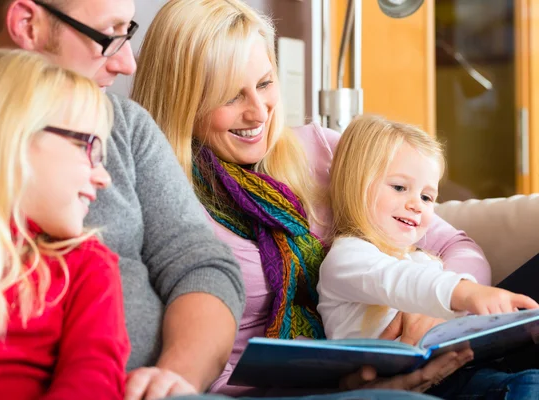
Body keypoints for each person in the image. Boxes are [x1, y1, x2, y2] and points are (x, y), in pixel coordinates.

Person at [132, 0, 487, 396]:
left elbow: (455, 245)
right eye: (230, 97)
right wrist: (338, 383)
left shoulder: (325, 152)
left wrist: (437, 309)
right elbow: (194, 361)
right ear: (181, 99)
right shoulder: (165, 201)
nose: (258, 113)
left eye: (265, 84)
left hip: (415, 356)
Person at [0, 1, 246, 399]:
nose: (127, 64)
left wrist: (173, 379)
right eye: (109, 35)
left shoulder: (125, 126)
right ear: (27, 23)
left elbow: (200, 264)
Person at [0, 48, 129, 399]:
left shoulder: (87, 265)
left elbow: (93, 381)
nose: (103, 177)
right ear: (15, 137)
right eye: (90, 148)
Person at [317, 114, 539, 399]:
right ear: (355, 184)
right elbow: (402, 281)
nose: (416, 205)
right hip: (412, 383)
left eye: (427, 197)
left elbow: (451, 314)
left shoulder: (422, 260)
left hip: (457, 369)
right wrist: (468, 292)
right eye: (399, 187)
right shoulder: (347, 257)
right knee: (528, 386)